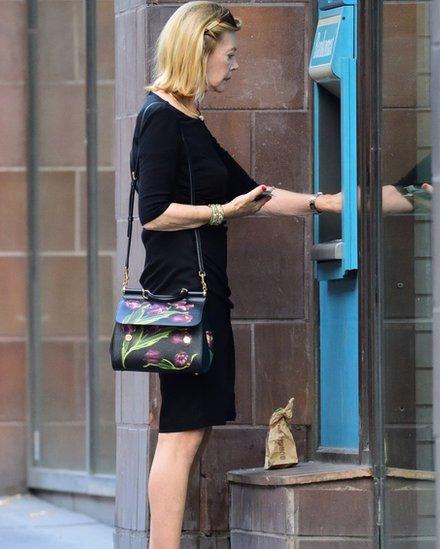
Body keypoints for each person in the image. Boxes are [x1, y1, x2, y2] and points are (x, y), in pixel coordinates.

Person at [131, 4, 343, 547]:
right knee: (179, 435)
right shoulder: (160, 118)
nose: (234, 65)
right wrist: (223, 213)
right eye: (229, 54)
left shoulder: (191, 122)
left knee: (187, 431)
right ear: (199, 50)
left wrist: (325, 203)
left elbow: (254, 194)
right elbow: (154, 212)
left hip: (202, 295)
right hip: (183, 297)